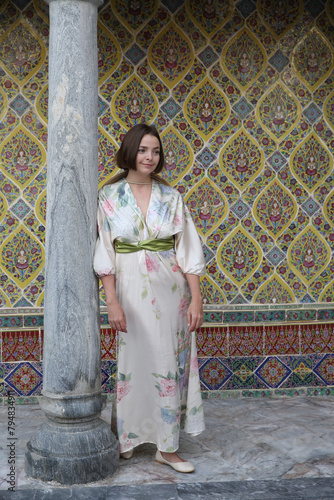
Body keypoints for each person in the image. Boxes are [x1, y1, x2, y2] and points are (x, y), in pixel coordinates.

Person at [93, 123, 206, 473]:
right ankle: (129, 438)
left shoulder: (171, 197)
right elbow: (104, 254)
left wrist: (197, 299)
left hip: (170, 291)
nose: (150, 157)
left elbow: (188, 250)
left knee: (167, 363)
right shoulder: (108, 198)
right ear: (130, 151)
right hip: (129, 289)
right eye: (143, 150)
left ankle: (167, 447)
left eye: (155, 151)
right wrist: (111, 301)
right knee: (133, 363)